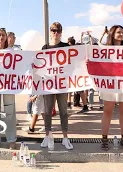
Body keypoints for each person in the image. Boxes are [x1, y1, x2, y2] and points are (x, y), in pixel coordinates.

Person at [97, 24, 123, 151]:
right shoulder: (105, 49)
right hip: (109, 84)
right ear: (112, 34)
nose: (121, 34)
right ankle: (104, 139)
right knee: (107, 111)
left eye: (122, 32)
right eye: (118, 32)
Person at [40, 22, 73, 150]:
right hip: (48, 84)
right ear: (50, 31)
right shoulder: (45, 47)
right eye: (54, 30)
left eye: (58, 30)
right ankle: (47, 136)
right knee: (47, 111)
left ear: (61, 32)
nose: (56, 33)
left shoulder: (65, 46)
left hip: (62, 84)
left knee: (63, 111)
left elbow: (75, 61)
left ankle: (65, 138)